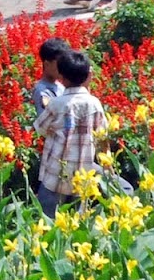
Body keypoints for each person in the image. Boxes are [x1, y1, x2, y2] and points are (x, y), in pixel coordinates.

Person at [33, 49, 108, 217]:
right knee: (76, 223)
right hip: (82, 176)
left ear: (62, 78)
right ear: (88, 76)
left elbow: (41, 128)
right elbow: (103, 136)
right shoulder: (95, 104)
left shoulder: (57, 104)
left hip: (55, 175)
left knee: (47, 222)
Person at [31, 38, 71, 113]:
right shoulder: (42, 91)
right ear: (47, 64)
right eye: (59, 64)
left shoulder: (60, 86)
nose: (63, 68)